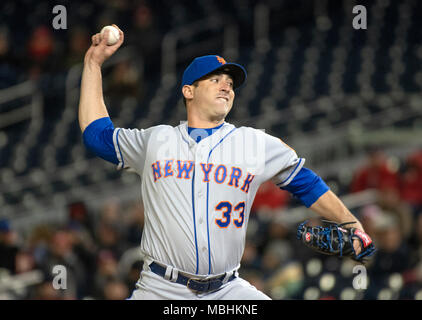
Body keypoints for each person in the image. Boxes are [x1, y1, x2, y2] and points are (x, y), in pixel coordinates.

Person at [78, 25, 371, 300]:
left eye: (230, 83)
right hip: (161, 289)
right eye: (215, 79)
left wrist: (352, 224)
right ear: (188, 91)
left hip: (227, 290)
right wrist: (93, 64)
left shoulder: (255, 143)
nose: (226, 87)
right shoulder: (157, 141)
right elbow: (96, 136)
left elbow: (306, 182)